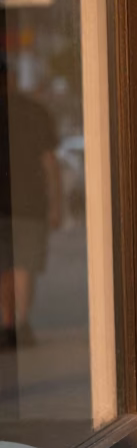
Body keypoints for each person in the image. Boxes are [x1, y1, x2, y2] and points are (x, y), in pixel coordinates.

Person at [0, 64, 62, 349]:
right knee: (24, 264)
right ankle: (21, 322)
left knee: (5, 266)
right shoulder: (35, 112)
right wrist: (55, 204)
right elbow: (49, 162)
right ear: (12, 79)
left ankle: (7, 323)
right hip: (30, 202)